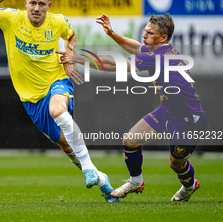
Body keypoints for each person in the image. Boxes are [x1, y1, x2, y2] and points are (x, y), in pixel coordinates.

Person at [0, 0, 119, 202]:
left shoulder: (57, 22)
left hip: (57, 80)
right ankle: (102, 180)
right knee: (65, 144)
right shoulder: (11, 18)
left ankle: (87, 168)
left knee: (57, 109)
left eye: (41, 4)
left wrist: (69, 55)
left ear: (49, 5)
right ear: (25, 3)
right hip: (31, 98)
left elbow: (71, 35)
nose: (36, 8)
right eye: (33, 3)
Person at [58, 13, 207, 202]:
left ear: (163, 38)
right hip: (168, 110)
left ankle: (189, 185)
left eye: (150, 33)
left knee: (176, 164)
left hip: (189, 121)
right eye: (145, 31)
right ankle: (136, 181)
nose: (145, 35)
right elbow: (135, 47)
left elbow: (116, 65)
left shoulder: (157, 57)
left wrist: (78, 59)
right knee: (130, 141)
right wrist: (112, 34)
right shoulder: (163, 50)